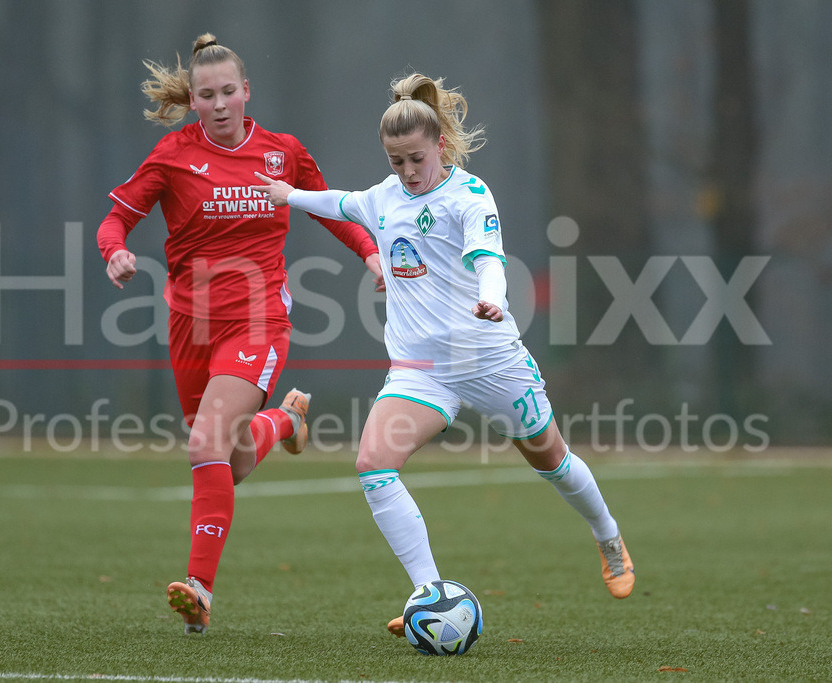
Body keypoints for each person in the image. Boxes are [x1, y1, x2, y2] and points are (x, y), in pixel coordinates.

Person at [252, 72, 635, 635]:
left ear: (441, 147)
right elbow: (341, 202)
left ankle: (608, 537)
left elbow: (489, 258)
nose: (407, 172)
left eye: (416, 159)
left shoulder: (469, 196)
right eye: (395, 161)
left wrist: (492, 300)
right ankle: (430, 594)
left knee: (550, 460)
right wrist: (289, 196)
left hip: (490, 360)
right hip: (420, 370)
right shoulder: (383, 198)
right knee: (373, 465)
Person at [97, 33, 383, 635]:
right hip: (188, 325)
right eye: (208, 95)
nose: (221, 103)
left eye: (230, 91)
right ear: (194, 101)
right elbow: (118, 216)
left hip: (257, 321)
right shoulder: (173, 155)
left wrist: (371, 255)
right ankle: (285, 421)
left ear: (247, 91)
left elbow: (331, 208)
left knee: (204, 445)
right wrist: (114, 250)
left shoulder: (282, 152)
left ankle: (199, 589)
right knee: (230, 459)